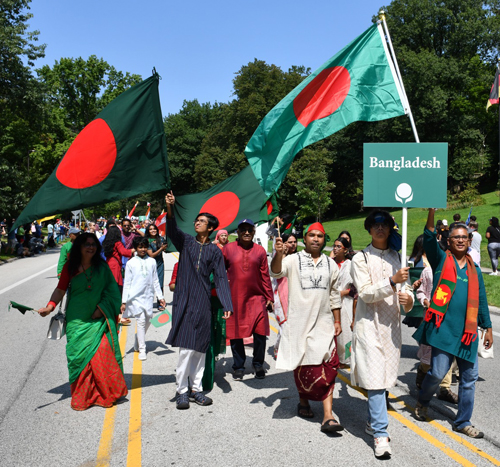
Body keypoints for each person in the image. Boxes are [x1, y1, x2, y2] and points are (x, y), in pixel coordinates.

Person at [413, 210, 493, 438]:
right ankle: (424, 400)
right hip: (443, 331)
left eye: (464, 237)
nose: (460, 240)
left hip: (467, 334)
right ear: (448, 241)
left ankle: (463, 421)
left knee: (469, 379)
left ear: (470, 241)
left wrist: (487, 328)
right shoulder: (440, 260)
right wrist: (431, 213)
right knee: (437, 373)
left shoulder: (474, 270)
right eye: (456, 237)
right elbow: (428, 238)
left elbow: (482, 301)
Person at [37, 233, 128, 410]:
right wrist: (49, 307)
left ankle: (105, 394)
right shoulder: (70, 268)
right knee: (79, 359)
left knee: (102, 353)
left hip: (98, 318)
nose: (91, 247)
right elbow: (60, 289)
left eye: (93, 244)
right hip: (76, 321)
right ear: (79, 246)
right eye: (86, 244)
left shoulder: (102, 267)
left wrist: (100, 309)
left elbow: (112, 292)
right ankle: (84, 396)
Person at [350, 209, 414, 459]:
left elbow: (406, 293)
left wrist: (407, 298)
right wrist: (391, 281)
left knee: (386, 378)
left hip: (392, 329)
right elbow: (365, 293)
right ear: (368, 230)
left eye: (384, 225)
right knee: (376, 381)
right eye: (375, 225)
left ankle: (371, 421)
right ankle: (380, 433)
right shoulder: (361, 258)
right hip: (369, 326)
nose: (379, 228)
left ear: (390, 229)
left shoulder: (398, 256)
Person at [271, 222, 343, 433]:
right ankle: (303, 401)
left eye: (320, 236)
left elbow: (334, 294)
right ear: (305, 238)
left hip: (324, 324)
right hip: (299, 324)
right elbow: (276, 272)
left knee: (329, 367)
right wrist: (278, 254)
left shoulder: (331, 264)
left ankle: (328, 416)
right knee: (304, 367)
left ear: (324, 240)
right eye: (311, 235)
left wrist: (337, 320)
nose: (315, 239)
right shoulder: (293, 260)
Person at [164, 191, 233, 410]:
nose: (197, 223)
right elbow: (172, 229)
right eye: (197, 220)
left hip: (203, 303)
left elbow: (221, 278)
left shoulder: (214, 251)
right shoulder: (185, 242)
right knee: (186, 349)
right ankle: (182, 391)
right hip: (184, 302)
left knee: (201, 348)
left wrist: (226, 304)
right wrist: (170, 207)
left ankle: (196, 390)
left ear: (211, 228)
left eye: (202, 221)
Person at [223, 219, 274, 380]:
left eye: (249, 230)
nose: (246, 232)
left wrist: (269, 297)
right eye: (243, 230)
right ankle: (238, 365)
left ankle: (258, 364)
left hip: (256, 298)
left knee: (260, 332)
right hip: (235, 297)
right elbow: (219, 272)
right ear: (237, 232)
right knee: (236, 332)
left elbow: (265, 275)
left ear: (253, 233)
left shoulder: (260, 251)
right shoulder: (228, 249)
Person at [121, 237, 166, 361]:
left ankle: (137, 339)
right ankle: (142, 348)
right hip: (135, 297)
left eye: (145, 247)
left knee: (148, 319)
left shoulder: (151, 261)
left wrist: (160, 297)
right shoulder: (131, 263)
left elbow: (155, 280)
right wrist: (124, 301)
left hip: (148, 296)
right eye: (140, 247)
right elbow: (127, 283)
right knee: (140, 321)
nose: (143, 249)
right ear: (135, 248)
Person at [331, 237, 356, 367]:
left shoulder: (350, 265)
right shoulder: (330, 263)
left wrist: (342, 293)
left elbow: (355, 287)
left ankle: (346, 358)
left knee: (345, 332)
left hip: (346, 302)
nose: (335, 248)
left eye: (338, 246)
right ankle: (333, 357)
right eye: (334, 246)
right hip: (330, 303)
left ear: (345, 250)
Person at [102, 225, 134, 292]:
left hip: (109, 262)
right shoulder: (118, 243)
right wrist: (134, 250)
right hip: (115, 265)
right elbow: (124, 252)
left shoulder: (106, 242)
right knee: (116, 284)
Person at [146, 223, 168, 310]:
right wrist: (161, 249)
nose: (153, 231)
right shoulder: (147, 241)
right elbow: (151, 255)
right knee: (149, 284)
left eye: (154, 229)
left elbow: (166, 249)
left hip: (160, 264)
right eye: (150, 229)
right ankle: (147, 302)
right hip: (150, 264)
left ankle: (160, 302)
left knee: (160, 282)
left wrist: (166, 247)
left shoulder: (161, 239)